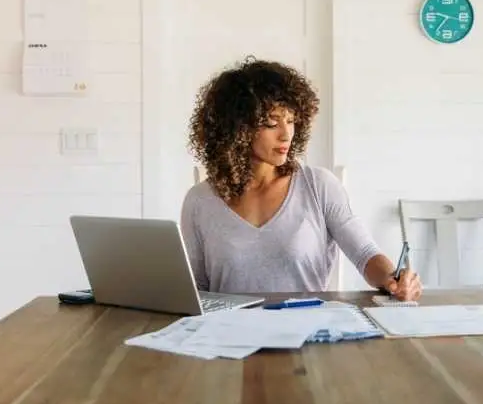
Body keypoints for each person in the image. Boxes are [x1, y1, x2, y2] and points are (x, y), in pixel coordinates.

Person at [180, 57, 423, 301]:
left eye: (291, 121)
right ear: (236, 129)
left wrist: (393, 278)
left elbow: (365, 253)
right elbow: (196, 288)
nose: (286, 134)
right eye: (271, 123)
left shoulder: (318, 186)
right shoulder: (199, 201)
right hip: (228, 333)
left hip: (306, 330)